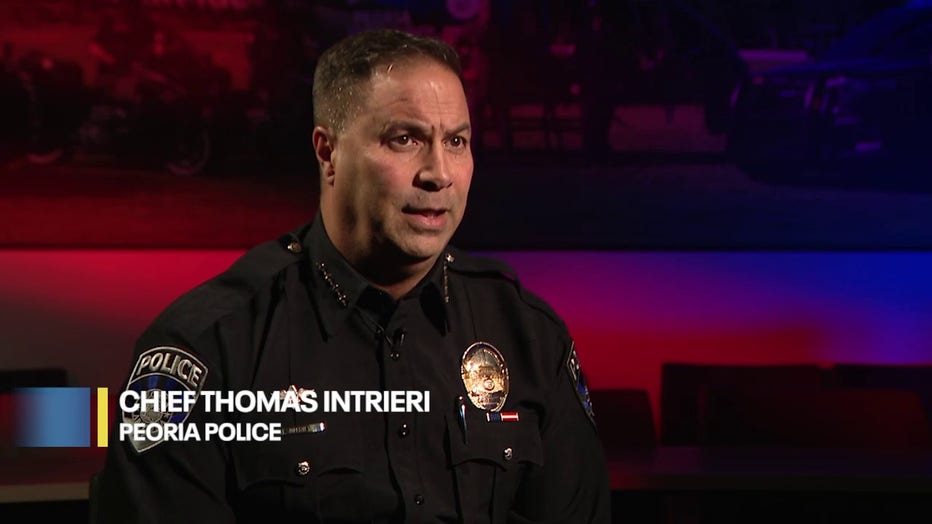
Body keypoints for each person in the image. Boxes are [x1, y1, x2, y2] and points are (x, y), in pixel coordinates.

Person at [96, 28, 610, 523]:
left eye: (456, 141)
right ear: (328, 153)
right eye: (405, 139)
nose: (439, 173)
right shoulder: (210, 347)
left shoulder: (528, 334)